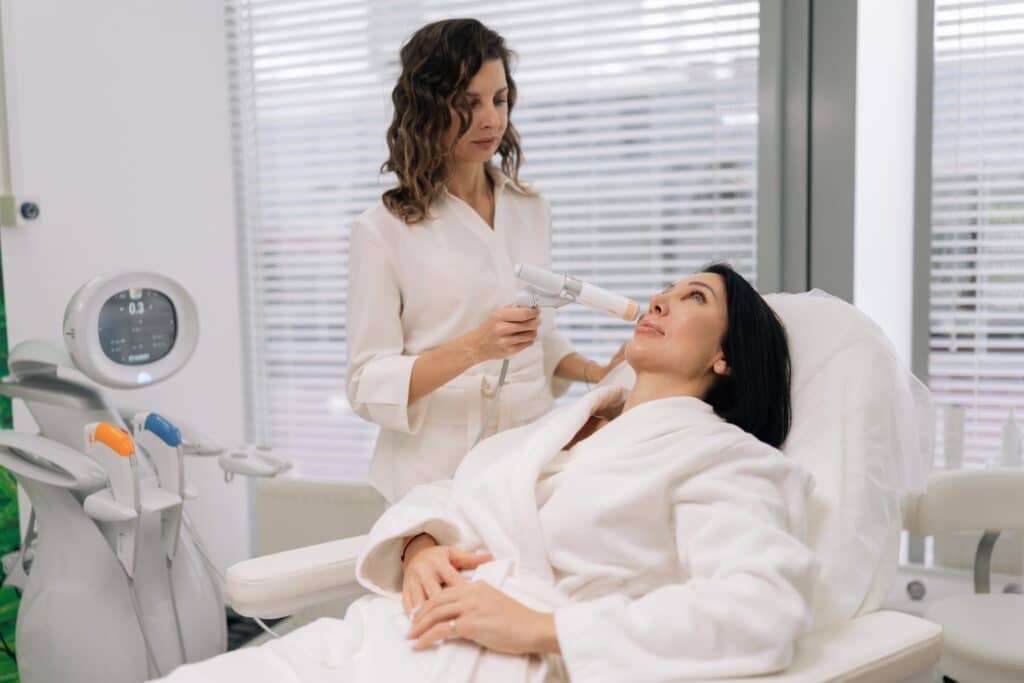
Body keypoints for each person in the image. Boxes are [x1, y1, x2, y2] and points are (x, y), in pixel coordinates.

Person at [159, 263, 818, 683]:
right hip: (388, 635)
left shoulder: (725, 458)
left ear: (727, 357)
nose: (659, 299)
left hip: (504, 661)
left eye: (692, 296)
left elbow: (760, 609)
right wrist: (419, 546)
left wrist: (543, 629)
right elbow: (447, 490)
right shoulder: (564, 429)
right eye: (665, 288)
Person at [346, 18, 623, 503]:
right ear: (428, 108)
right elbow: (366, 383)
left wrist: (598, 374)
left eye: (498, 100)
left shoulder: (530, 209)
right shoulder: (383, 230)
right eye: (468, 104)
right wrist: (475, 347)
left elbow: (542, 344)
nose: (491, 120)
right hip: (433, 477)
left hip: (528, 460)